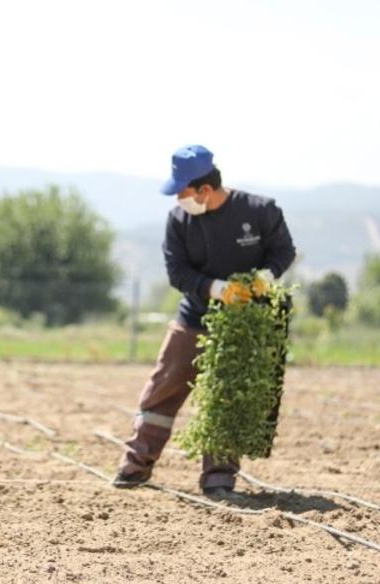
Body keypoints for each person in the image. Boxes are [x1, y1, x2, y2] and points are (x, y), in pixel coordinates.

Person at [114, 145, 296, 499]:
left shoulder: (260, 211)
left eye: (182, 191)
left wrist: (264, 277)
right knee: (163, 387)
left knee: (226, 397)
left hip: (244, 325)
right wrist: (216, 289)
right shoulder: (179, 221)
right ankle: (135, 465)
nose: (178, 198)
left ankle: (219, 478)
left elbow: (283, 251)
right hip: (195, 315)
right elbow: (177, 272)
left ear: (205, 190)